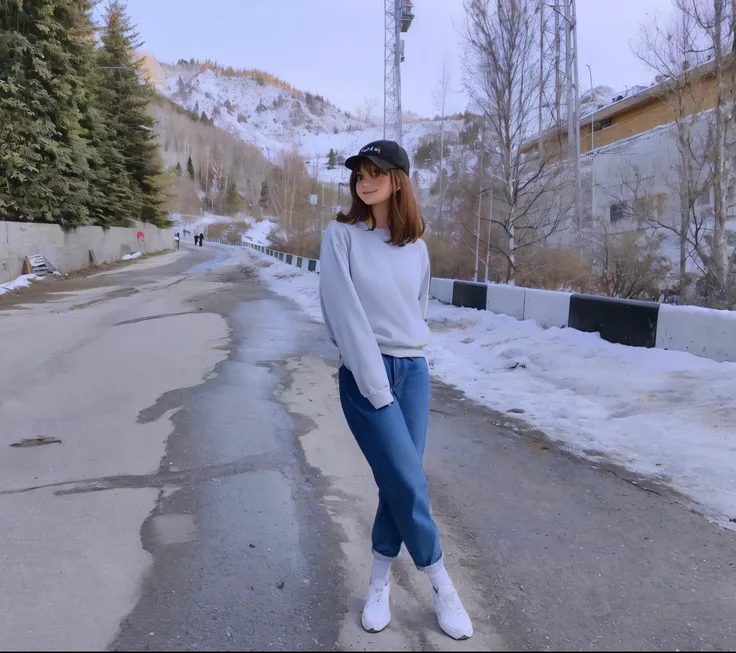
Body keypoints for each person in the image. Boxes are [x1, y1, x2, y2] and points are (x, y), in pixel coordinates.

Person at [319, 140, 473, 640]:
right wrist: (374, 383)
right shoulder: (341, 236)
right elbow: (343, 314)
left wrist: (410, 367)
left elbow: (417, 312)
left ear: (398, 180)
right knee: (409, 481)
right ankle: (442, 583)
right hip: (367, 375)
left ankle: (379, 581)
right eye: (360, 174)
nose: (365, 182)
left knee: (398, 482)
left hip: (414, 373)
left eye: (376, 173)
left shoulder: (417, 247)